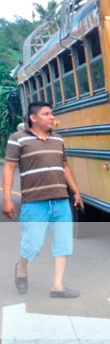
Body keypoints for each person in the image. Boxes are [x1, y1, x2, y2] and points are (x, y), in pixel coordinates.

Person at [2, 102, 84, 298]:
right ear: (33, 118)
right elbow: (9, 169)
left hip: (60, 200)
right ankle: (21, 268)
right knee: (33, 243)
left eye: (52, 114)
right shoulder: (18, 139)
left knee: (64, 242)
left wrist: (76, 191)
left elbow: (64, 166)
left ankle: (57, 286)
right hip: (35, 201)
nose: (51, 117)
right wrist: (7, 199)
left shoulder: (58, 140)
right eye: (46, 114)